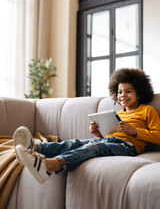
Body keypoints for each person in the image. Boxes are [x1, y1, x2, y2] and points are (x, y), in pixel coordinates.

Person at [13, 68, 160, 184]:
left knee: (93, 147)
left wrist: (134, 131)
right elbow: (110, 137)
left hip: (128, 147)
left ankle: (51, 166)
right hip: (108, 141)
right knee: (76, 143)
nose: (123, 95)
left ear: (139, 94)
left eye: (128, 91)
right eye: (120, 92)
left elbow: (157, 136)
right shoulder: (119, 113)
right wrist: (98, 134)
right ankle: (36, 148)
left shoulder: (147, 110)